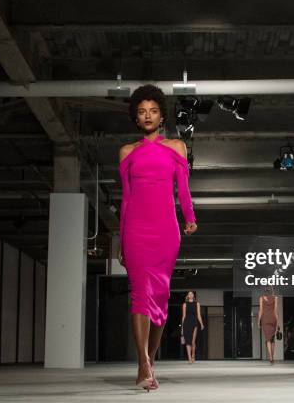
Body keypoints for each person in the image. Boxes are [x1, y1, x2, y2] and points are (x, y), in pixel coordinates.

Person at [118, 85, 198, 390]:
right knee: (139, 295)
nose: (147, 116)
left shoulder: (176, 147)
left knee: (161, 298)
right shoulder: (127, 152)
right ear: (136, 118)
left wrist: (190, 217)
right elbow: (125, 200)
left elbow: (183, 189)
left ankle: (150, 360)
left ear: (161, 115)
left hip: (166, 230)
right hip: (136, 229)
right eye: (141, 111)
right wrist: (121, 239)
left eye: (152, 110)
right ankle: (142, 365)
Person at [181, 291, 205, 363]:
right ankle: (189, 359)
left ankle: (193, 355)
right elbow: (184, 316)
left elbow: (198, 315)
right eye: (189, 294)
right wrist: (182, 327)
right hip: (186, 324)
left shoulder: (197, 304)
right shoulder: (184, 304)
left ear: (193, 296)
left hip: (194, 323)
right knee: (188, 342)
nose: (190, 295)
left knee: (192, 341)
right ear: (187, 296)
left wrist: (201, 324)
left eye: (192, 294)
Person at [258, 287, 279, 364]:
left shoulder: (261, 298)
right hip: (273, 319)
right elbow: (275, 310)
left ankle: (270, 357)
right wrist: (277, 322)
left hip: (265, 319)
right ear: (272, 291)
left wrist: (258, 321)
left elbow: (261, 310)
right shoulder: (275, 298)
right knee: (272, 340)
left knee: (268, 339)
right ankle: (272, 356)